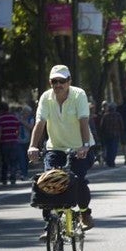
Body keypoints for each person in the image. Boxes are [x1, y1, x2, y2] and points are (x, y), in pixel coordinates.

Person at [27, 65, 96, 239]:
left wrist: (85, 145)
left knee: (77, 179)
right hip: (55, 147)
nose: (58, 85)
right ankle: (50, 225)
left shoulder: (78, 95)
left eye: (62, 81)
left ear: (69, 81)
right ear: (50, 82)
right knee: (48, 181)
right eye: (54, 81)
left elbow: (83, 121)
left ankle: (85, 213)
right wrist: (33, 146)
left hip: (80, 147)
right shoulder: (45, 97)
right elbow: (40, 123)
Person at [0, 102, 21, 185]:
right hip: (14, 142)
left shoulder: (0, 119)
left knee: (5, 161)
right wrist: (15, 136)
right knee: (13, 161)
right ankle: (13, 177)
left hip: (4, 142)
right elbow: (18, 129)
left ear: (1, 110)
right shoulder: (14, 117)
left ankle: (4, 178)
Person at [100, 102, 124, 167]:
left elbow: (102, 126)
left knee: (108, 148)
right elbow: (121, 125)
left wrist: (102, 133)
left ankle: (109, 161)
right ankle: (112, 161)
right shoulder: (118, 115)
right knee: (114, 148)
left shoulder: (105, 115)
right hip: (116, 134)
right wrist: (121, 133)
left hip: (107, 134)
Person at [17, 105, 35, 180]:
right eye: (24, 112)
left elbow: (31, 127)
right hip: (19, 141)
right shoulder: (18, 119)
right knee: (21, 158)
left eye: (27, 113)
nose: (25, 114)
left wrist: (23, 122)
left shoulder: (31, 119)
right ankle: (23, 174)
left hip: (28, 141)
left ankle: (25, 173)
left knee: (26, 158)